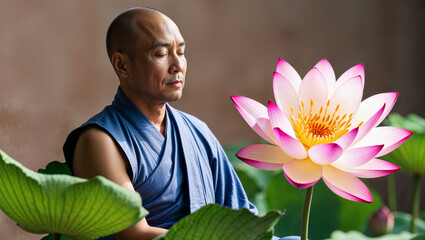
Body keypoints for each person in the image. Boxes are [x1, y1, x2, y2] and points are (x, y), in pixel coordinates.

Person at [63, 7, 258, 240]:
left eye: (181, 52)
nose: (178, 66)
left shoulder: (197, 131)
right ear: (122, 65)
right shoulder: (101, 140)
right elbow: (134, 234)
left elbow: (243, 218)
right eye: (162, 54)